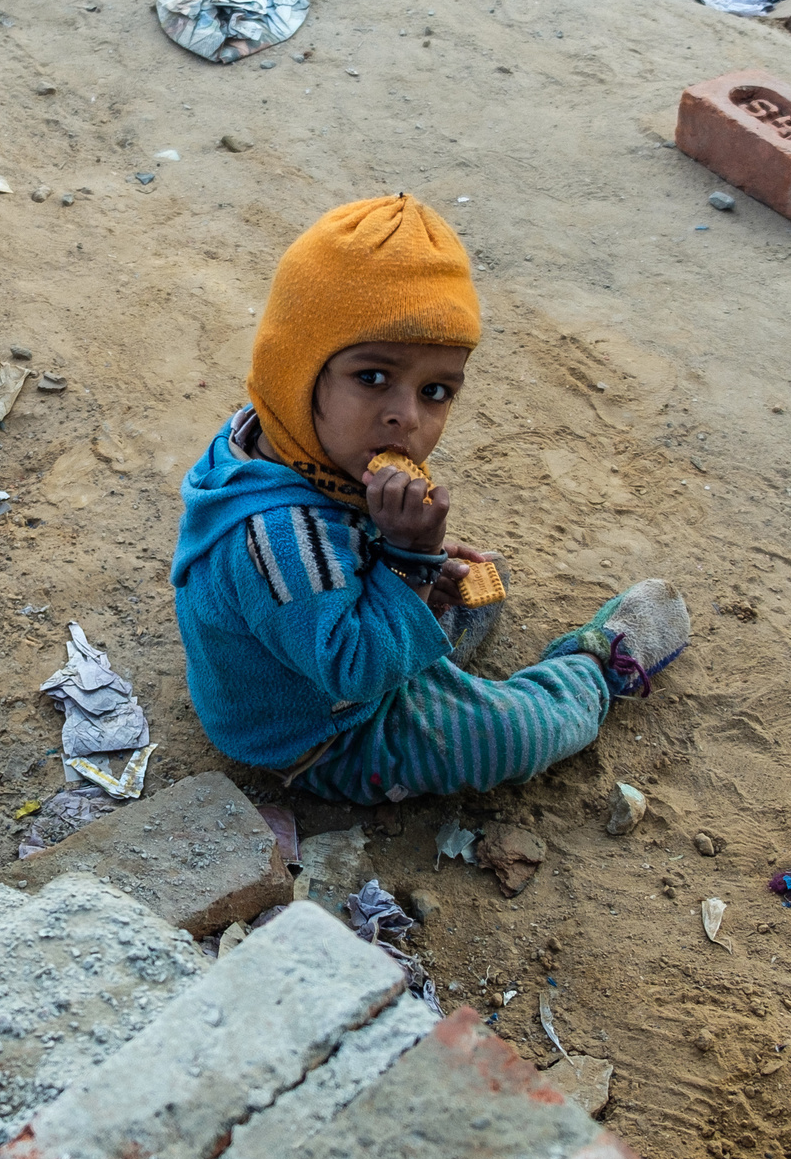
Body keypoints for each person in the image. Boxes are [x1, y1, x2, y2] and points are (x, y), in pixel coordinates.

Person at [170, 194, 690, 804]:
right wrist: (409, 559)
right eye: (372, 378)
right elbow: (357, 673)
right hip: (325, 731)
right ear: (296, 369)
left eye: (436, 390)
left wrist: (409, 566)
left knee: (471, 582)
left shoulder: (273, 441)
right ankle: (595, 669)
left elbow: (331, 556)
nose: (405, 418)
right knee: (512, 736)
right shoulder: (280, 536)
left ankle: (419, 621)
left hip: (309, 649)